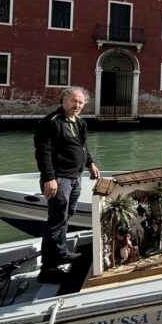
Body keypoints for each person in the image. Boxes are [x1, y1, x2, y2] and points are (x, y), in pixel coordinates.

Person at [34, 87, 99, 284]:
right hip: (59, 179)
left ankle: (61, 252)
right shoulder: (51, 122)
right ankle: (48, 269)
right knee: (56, 221)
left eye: (80, 103)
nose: (77, 106)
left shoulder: (80, 123)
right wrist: (49, 178)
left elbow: (82, 147)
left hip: (75, 178)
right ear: (63, 100)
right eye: (73, 101)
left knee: (66, 217)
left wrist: (90, 163)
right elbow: (43, 151)